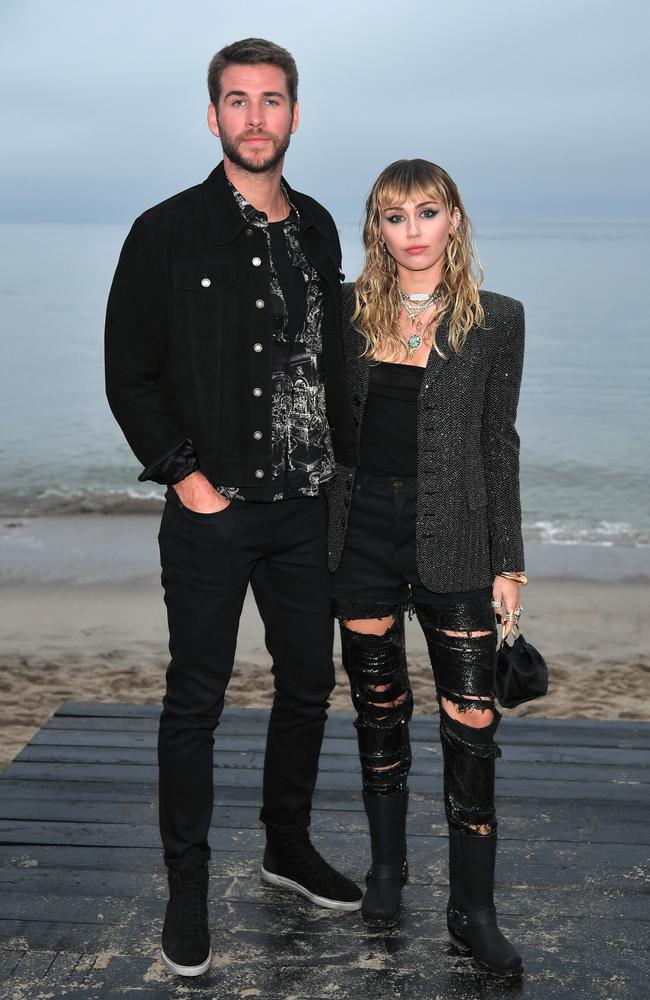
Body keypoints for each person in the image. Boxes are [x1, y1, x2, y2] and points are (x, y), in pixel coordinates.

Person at [105, 38, 362, 979]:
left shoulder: (325, 227)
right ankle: (186, 888)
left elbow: (330, 361)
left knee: (307, 685)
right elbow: (129, 375)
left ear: (295, 114)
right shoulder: (164, 231)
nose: (256, 117)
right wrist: (187, 479)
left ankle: (286, 848)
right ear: (213, 116)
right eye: (238, 101)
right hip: (213, 511)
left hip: (308, 510)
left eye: (273, 100)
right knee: (196, 702)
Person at [326, 159, 526, 977]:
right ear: (377, 228)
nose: (411, 230)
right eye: (393, 215)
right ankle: (385, 871)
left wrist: (509, 560)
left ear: (454, 221)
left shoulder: (497, 321)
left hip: (456, 539)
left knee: (472, 725)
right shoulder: (343, 312)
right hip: (361, 531)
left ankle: (471, 910)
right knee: (378, 706)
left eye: (426, 212)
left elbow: (497, 443)